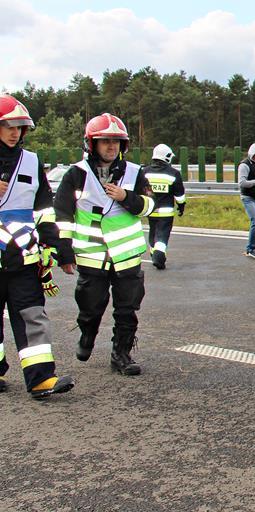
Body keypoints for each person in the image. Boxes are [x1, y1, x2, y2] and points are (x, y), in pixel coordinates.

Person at [55, 113, 155, 376]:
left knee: (127, 308)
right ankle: (87, 334)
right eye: (105, 141)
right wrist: (64, 251)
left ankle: (121, 354)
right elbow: (62, 214)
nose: (111, 146)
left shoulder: (135, 173)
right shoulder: (76, 174)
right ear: (92, 144)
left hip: (127, 256)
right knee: (90, 306)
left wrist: (127, 197)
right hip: (91, 255)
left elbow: (148, 207)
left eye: (116, 142)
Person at [0, 94, 75, 399]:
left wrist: (59, 250)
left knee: (33, 316)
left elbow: (45, 209)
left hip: (24, 259)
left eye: (20, 127)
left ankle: (41, 379)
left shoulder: (31, 161)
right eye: (8, 126)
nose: (15, 132)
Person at [141, 144, 186, 269]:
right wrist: (181, 206)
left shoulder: (145, 172)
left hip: (150, 210)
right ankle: (159, 257)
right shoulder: (173, 173)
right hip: (166, 212)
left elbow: (140, 190)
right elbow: (180, 194)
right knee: (162, 234)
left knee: (153, 232)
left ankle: (153, 253)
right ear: (167, 157)